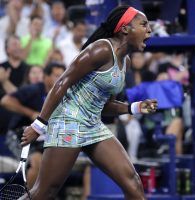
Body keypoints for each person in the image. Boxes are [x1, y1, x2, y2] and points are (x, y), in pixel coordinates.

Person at [20, 5, 157, 200]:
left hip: (93, 125)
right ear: (125, 28)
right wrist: (39, 124)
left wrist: (134, 107)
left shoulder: (124, 62)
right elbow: (62, 83)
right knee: (44, 192)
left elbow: (105, 106)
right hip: (68, 121)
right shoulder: (101, 49)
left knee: (133, 183)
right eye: (143, 24)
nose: (149, 30)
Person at [1, 62, 65, 188]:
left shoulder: (62, 95)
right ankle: (29, 197)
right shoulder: (34, 89)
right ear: (46, 77)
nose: (60, 80)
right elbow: (5, 101)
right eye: (56, 76)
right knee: (37, 163)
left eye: (62, 76)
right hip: (19, 135)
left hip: (43, 138)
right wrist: (30, 113)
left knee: (60, 163)